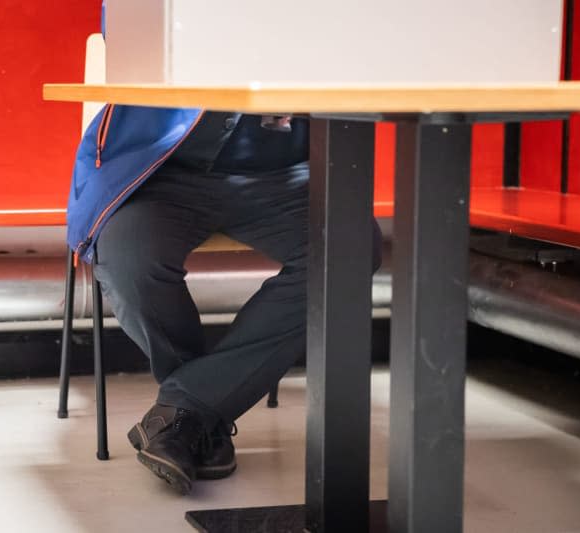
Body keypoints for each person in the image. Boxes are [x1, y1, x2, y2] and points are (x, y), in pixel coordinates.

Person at [66, 7, 381, 496]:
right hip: (162, 169)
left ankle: (186, 413)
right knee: (130, 257)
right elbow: (128, 27)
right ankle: (199, 417)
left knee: (353, 247)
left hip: (281, 176)